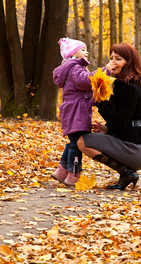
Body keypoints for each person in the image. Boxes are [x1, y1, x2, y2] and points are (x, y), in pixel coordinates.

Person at [77, 43, 141, 190]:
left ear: (129, 62)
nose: (113, 62)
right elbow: (125, 120)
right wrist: (107, 129)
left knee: (82, 142)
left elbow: (120, 122)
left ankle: (127, 172)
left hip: (137, 151)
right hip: (136, 147)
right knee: (85, 140)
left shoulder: (130, 88)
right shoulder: (124, 85)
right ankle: (127, 173)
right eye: (111, 58)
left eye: (118, 59)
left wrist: (100, 102)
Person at [51, 37, 93, 187]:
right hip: (77, 113)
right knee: (77, 145)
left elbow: (82, 92)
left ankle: (62, 170)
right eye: (82, 49)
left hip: (73, 112)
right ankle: (73, 175)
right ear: (73, 54)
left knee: (72, 143)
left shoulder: (71, 68)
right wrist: (103, 73)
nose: (86, 52)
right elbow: (86, 81)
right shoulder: (76, 68)